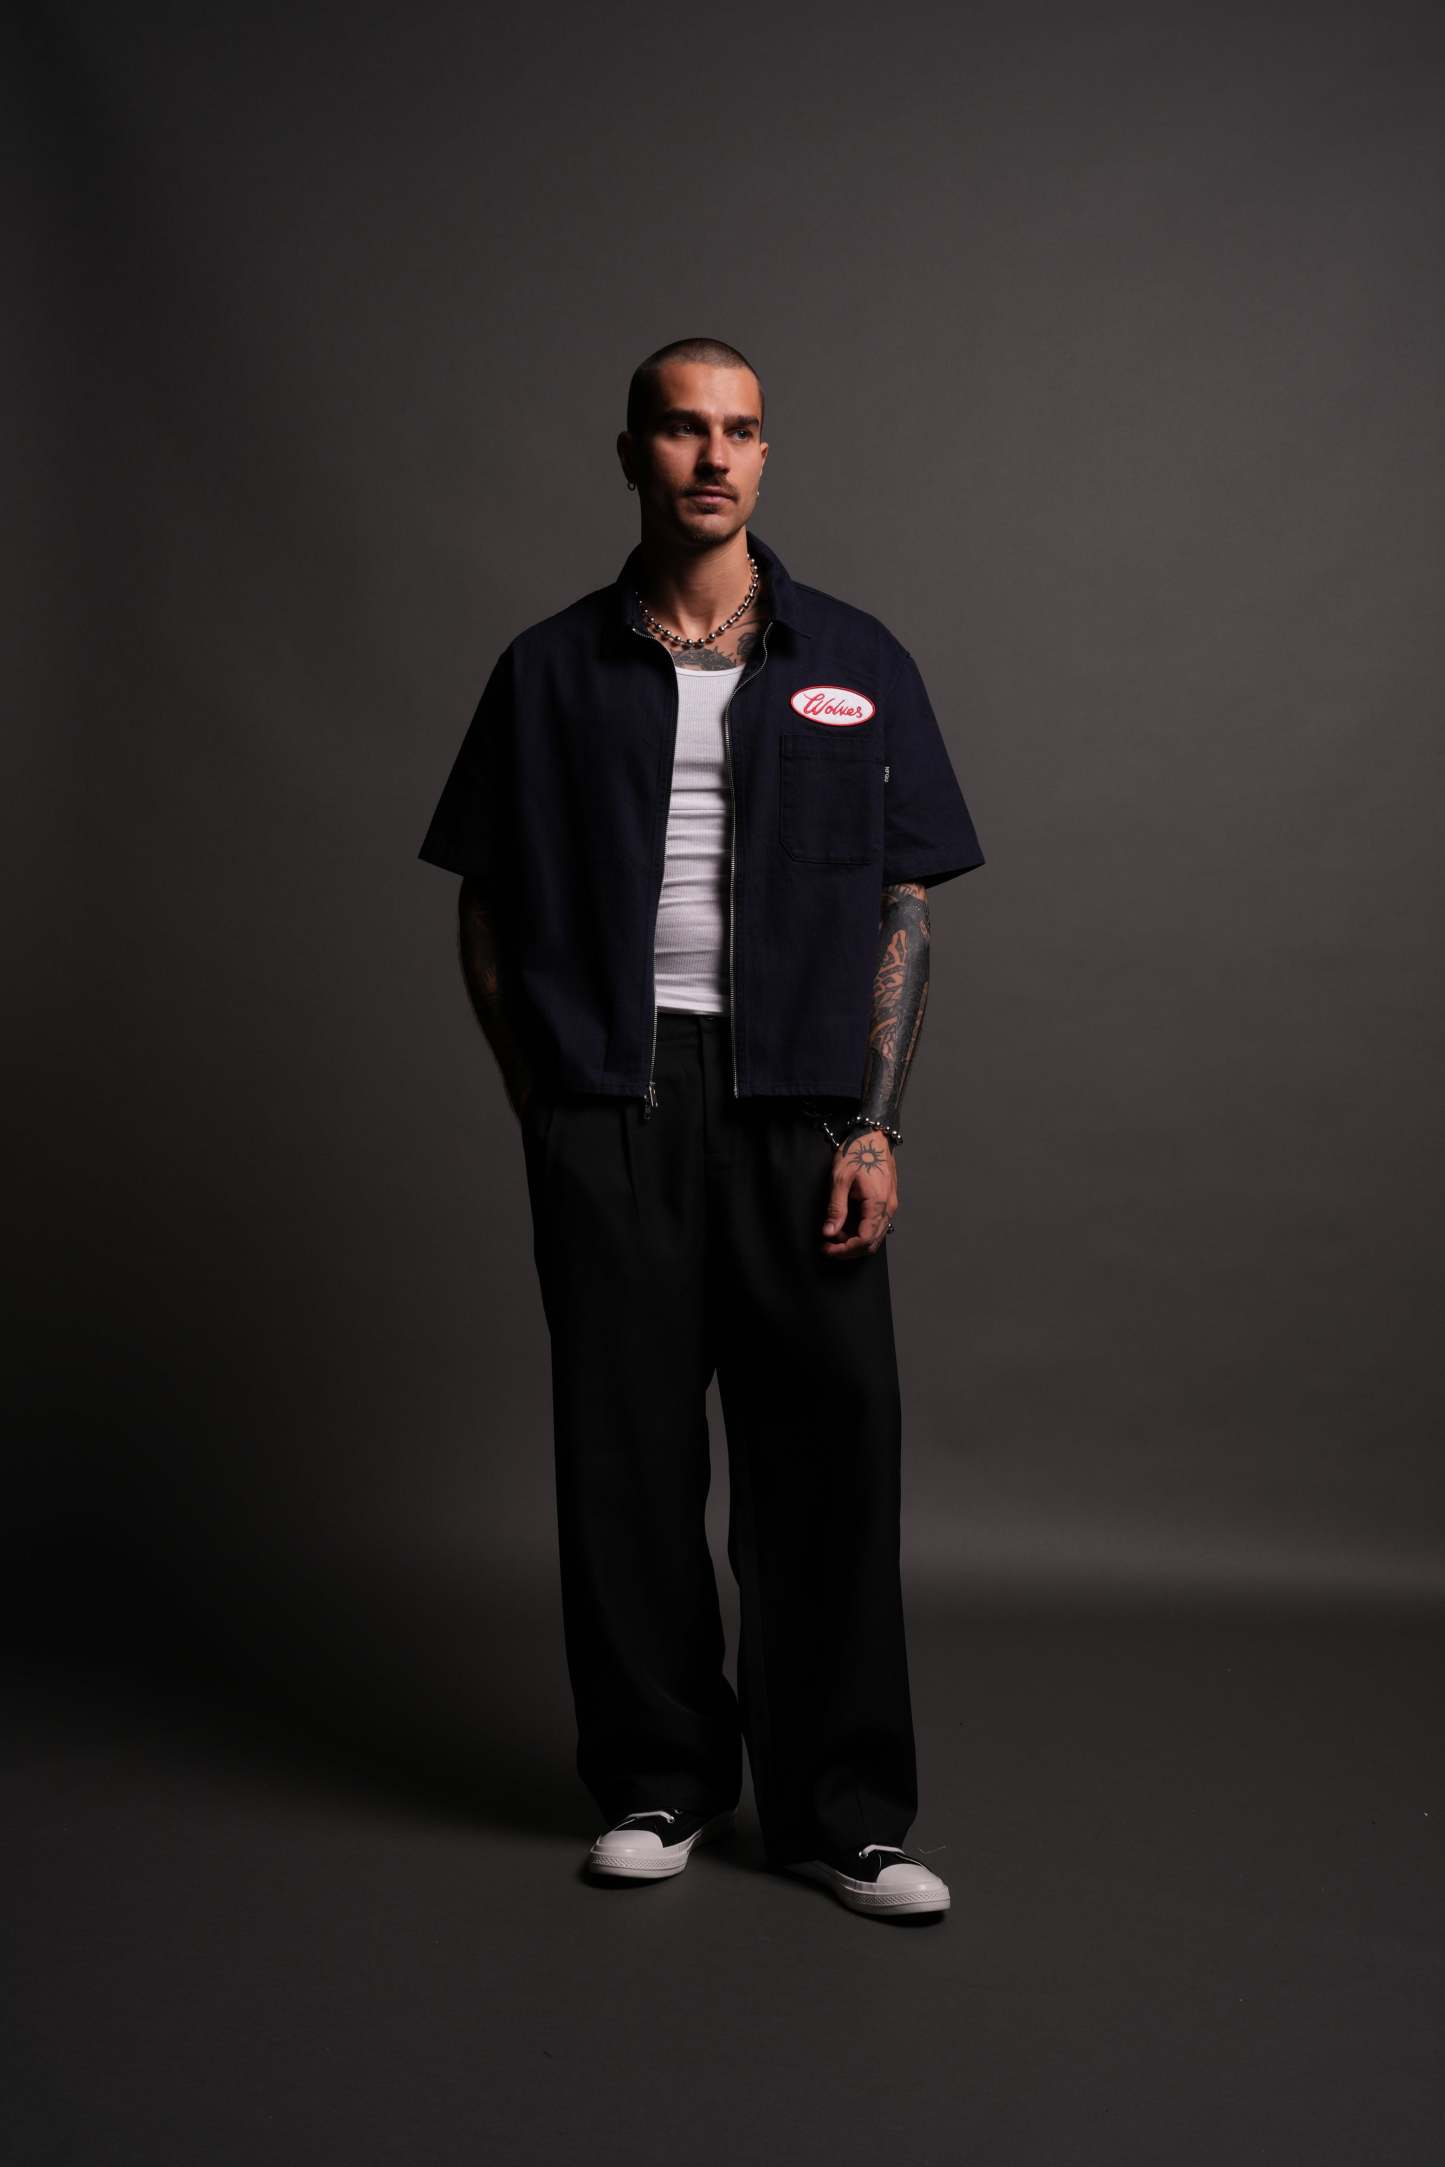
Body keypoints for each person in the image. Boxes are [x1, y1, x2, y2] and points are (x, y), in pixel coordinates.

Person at [417, 337, 985, 1921]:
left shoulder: (855, 655)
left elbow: (905, 905)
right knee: (625, 1461)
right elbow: (484, 904)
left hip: (801, 1106)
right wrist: (548, 1103)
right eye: (681, 429)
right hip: (615, 1099)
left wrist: (873, 1126)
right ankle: (657, 1783)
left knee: (829, 1465)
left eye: (737, 430)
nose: (712, 456)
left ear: (764, 453)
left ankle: (839, 1816)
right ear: (632, 454)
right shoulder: (546, 668)